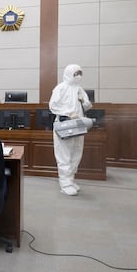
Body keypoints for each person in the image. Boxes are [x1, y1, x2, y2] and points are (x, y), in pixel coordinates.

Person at [49, 63, 92, 196]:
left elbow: (88, 106)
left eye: (80, 73)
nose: (78, 76)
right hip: (65, 124)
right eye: (75, 74)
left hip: (79, 124)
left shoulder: (80, 89)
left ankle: (71, 180)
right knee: (64, 154)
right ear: (69, 73)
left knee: (76, 153)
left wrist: (83, 101)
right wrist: (68, 113)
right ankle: (65, 184)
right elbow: (53, 106)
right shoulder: (60, 88)